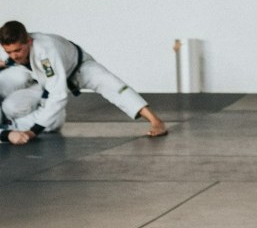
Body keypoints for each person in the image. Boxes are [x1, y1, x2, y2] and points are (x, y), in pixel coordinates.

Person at [0, 21, 166, 142]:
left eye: (18, 50)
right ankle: (14, 124)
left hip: (79, 69)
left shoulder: (45, 52)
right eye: (9, 52)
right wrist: (6, 63)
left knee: (111, 84)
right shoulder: (18, 54)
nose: (15, 55)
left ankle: (156, 121)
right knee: (11, 104)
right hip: (43, 82)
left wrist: (33, 132)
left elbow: (58, 94)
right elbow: (16, 61)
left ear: (28, 41)